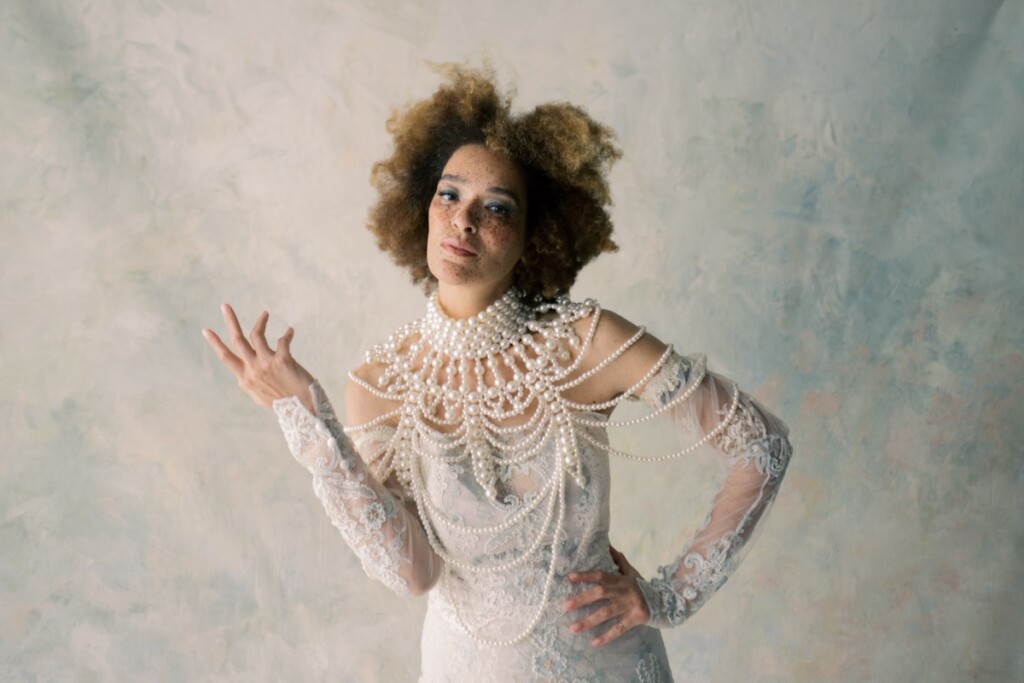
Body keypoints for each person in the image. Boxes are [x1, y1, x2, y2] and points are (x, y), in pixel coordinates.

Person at [202, 65, 792, 682]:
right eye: (449, 196)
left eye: (496, 208)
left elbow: (762, 445)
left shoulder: (588, 342)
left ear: (533, 235)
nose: (463, 221)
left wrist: (671, 596)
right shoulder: (378, 383)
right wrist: (310, 420)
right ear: (421, 209)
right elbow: (414, 574)